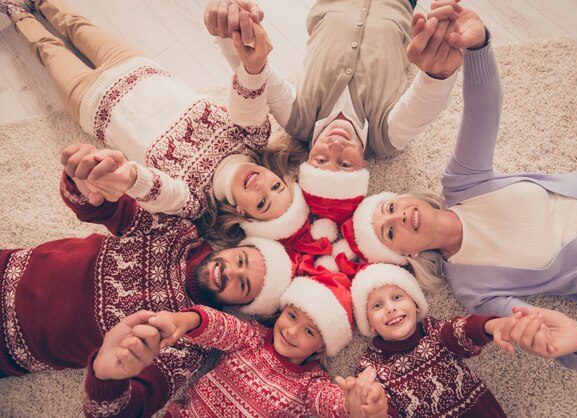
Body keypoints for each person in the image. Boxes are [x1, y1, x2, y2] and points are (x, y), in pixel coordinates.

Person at [340, 5, 577, 374]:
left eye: (391, 206)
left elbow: (482, 109)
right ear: (406, 255)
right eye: (390, 231)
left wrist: (479, 47)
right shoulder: (475, 289)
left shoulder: (462, 182)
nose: (400, 216)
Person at [0, 0, 312, 241]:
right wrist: (254, 68)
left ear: (243, 213)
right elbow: (249, 101)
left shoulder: (197, 204)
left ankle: (19, 15)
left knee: (47, 48)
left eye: (262, 203)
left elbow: (162, 192)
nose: (263, 187)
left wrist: (129, 178)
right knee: (75, 24)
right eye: (275, 186)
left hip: (92, 104)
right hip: (137, 67)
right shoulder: (253, 139)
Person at [0, 145, 296, 379]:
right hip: (7, 269)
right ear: (235, 247)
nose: (230, 270)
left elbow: (131, 404)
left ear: (239, 306)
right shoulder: (181, 232)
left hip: (7, 350)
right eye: (241, 260)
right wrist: (87, 182)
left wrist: (105, 377)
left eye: (242, 285)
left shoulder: (190, 341)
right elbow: (103, 208)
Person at [205, 0, 463, 228]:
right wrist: (437, 75)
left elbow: (258, 73)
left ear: (307, 160)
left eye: (320, 161)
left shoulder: (299, 121)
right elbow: (424, 105)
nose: (335, 146)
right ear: (363, 167)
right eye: (344, 164)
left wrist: (230, 32)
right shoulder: (385, 137)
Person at [83, 274, 389, 417]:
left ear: (321, 348)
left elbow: (330, 403)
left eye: (309, 330)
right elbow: (220, 327)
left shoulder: (310, 384)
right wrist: (184, 322)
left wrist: (355, 406)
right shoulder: (253, 338)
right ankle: (105, 377)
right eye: (291, 315)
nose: (292, 331)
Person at [349, 263, 577, 416]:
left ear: (416, 306)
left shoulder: (433, 330)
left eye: (397, 297)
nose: (391, 309)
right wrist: (373, 410)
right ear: (369, 323)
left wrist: (496, 325)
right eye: (377, 306)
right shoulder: (371, 366)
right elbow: (377, 404)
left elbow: (462, 331)